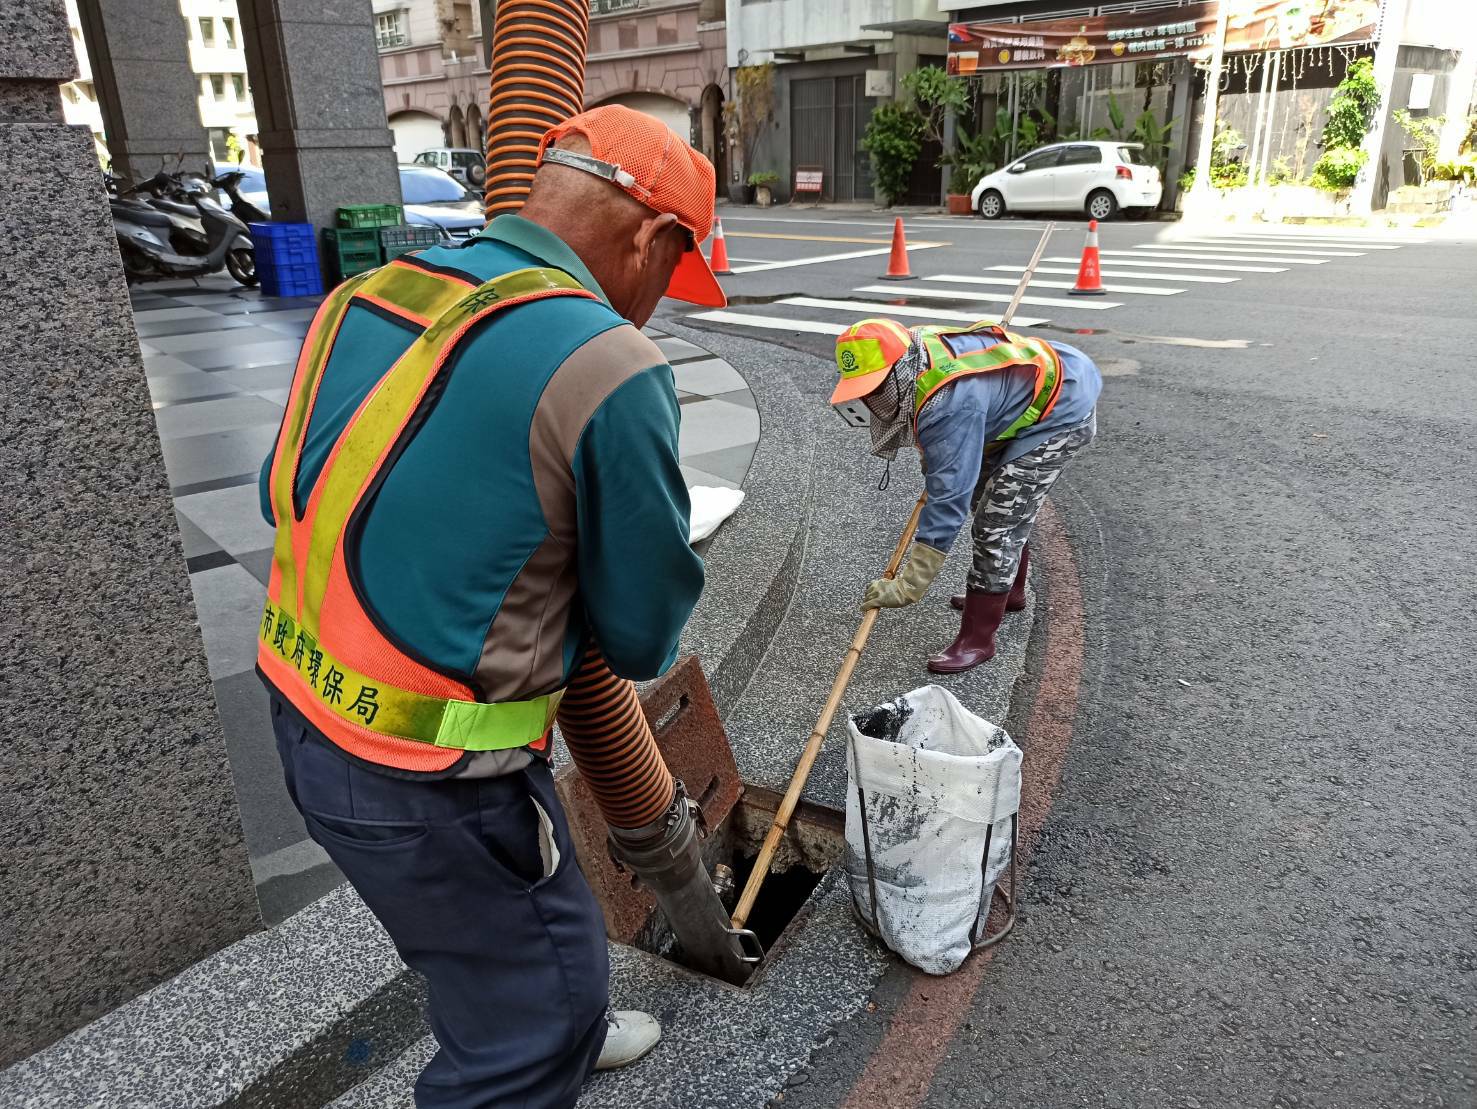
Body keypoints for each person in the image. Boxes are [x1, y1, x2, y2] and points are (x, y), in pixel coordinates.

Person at [254, 105, 726, 1108]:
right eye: (669, 272)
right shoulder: (607, 361)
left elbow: (284, 492)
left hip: (302, 715)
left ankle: (540, 1008)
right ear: (649, 239)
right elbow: (639, 633)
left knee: (491, 944)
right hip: (435, 785)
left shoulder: (366, 295)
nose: (652, 304)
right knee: (531, 1020)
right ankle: (541, 1032)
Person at [831, 316, 1102, 672]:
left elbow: (947, 502)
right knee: (985, 502)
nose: (869, 398)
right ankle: (1010, 592)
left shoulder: (947, 403)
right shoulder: (915, 349)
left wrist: (910, 584)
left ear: (899, 366)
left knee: (997, 524)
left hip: (1061, 409)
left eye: (876, 386)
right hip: (1014, 401)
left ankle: (977, 640)